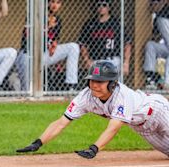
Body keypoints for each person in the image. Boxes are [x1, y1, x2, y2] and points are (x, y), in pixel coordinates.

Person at [16, 60, 169, 159]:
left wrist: (95, 148)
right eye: (92, 81)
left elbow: (113, 127)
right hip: (142, 127)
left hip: (158, 111)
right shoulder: (85, 97)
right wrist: (38, 142)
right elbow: (61, 122)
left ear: (112, 84)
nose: (94, 85)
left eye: (100, 81)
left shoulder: (123, 96)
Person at [16, 0, 80, 91]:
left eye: (58, 3)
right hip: (29, 56)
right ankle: (26, 92)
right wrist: (47, 26)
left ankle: (71, 85)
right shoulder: (35, 15)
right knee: (27, 90)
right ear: (47, 3)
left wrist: (53, 45)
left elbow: (54, 40)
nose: (55, 5)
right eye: (53, 1)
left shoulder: (57, 20)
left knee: (73, 47)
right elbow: (30, 39)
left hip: (44, 55)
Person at [78, 0, 132, 80]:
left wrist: (126, 63)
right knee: (99, 86)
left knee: (112, 85)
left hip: (113, 60)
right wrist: (86, 60)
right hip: (96, 60)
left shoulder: (116, 23)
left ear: (109, 7)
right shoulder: (90, 24)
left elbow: (127, 44)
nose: (101, 7)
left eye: (104, 5)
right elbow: (83, 44)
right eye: (99, 4)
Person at [143, 0, 169, 89]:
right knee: (150, 45)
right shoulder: (158, 17)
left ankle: (167, 82)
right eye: (151, 3)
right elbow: (156, 36)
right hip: (167, 47)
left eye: (155, 3)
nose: (153, 5)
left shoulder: (163, 15)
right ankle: (151, 78)